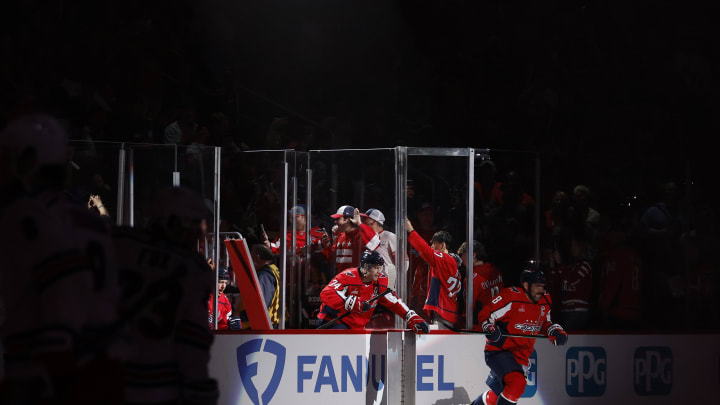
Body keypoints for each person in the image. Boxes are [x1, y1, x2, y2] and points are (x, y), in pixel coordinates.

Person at [0, 114, 122, 403]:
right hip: (103, 366)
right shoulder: (90, 222)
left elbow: (64, 289)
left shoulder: (28, 214)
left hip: (49, 373)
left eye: (5, 159)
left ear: (26, 161)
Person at [113, 186, 218, 404]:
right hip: (157, 384)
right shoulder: (194, 269)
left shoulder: (120, 242)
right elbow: (192, 346)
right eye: (197, 224)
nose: (201, 231)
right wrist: (200, 391)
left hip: (107, 375)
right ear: (175, 224)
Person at [470, 266, 568, 405]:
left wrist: (554, 330)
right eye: (538, 286)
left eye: (543, 286)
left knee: (499, 394)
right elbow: (487, 314)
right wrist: (490, 328)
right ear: (526, 285)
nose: (542, 290)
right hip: (499, 351)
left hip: (521, 357)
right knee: (517, 383)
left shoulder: (545, 300)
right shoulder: (511, 297)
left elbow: (545, 322)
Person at [317, 250, 429, 333]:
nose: (379, 272)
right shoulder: (347, 276)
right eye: (376, 267)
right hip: (334, 322)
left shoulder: (380, 282)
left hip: (358, 327)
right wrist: (351, 302)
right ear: (365, 267)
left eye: (380, 267)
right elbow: (326, 294)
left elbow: (394, 301)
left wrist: (411, 316)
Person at [405, 217, 462, 329]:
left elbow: (425, 250)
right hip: (449, 309)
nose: (432, 246)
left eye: (434, 244)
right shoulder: (452, 262)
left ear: (442, 245)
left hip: (443, 311)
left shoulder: (444, 259)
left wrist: (411, 230)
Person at [458, 240, 503, 326]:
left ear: (473, 255)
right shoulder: (495, 270)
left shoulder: (472, 278)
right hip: (498, 320)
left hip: (481, 324)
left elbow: (469, 308)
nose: (461, 258)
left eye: (463, 254)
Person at [236, 244, 280, 328]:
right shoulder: (274, 270)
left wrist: (241, 315)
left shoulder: (264, 275)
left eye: (250, 257)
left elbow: (261, 306)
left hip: (264, 327)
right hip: (272, 324)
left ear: (256, 257)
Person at [327, 205, 380, 273]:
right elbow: (333, 261)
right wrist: (328, 245)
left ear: (348, 219)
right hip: (342, 279)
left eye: (338, 219)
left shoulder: (361, 235)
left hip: (358, 280)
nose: (335, 222)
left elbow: (376, 243)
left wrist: (359, 224)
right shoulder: (340, 236)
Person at [360, 208, 398, 287]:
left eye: (365, 219)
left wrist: (393, 282)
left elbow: (403, 263)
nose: (363, 221)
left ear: (373, 221)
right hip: (369, 282)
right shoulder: (365, 238)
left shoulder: (389, 236)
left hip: (386, 282)